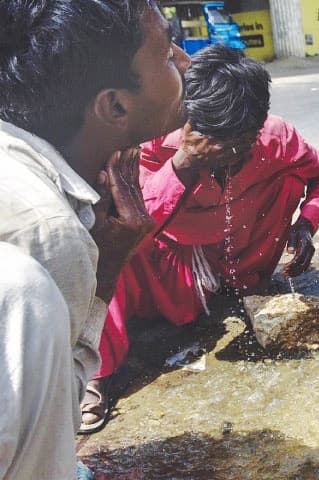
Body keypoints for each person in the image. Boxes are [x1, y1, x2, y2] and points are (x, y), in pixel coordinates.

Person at [79, 44, 319, 433]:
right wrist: (184, 163)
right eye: (216, 146)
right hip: (171, 266)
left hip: (243, 258)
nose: (229, 157)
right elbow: (132, 221)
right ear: (190, 122)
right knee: (107, 241)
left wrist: (306, 223)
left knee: (289, 177)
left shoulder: (276, 137)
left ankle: (243, 283)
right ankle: (95, 373)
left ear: (257, 125)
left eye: (241, 145)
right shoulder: (149, 139)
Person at [0, 0, 190, 477]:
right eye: (168, 55)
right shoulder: (48, 235)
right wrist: (104, 275)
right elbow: (44, 445)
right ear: (115, 105)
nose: (186, 62)